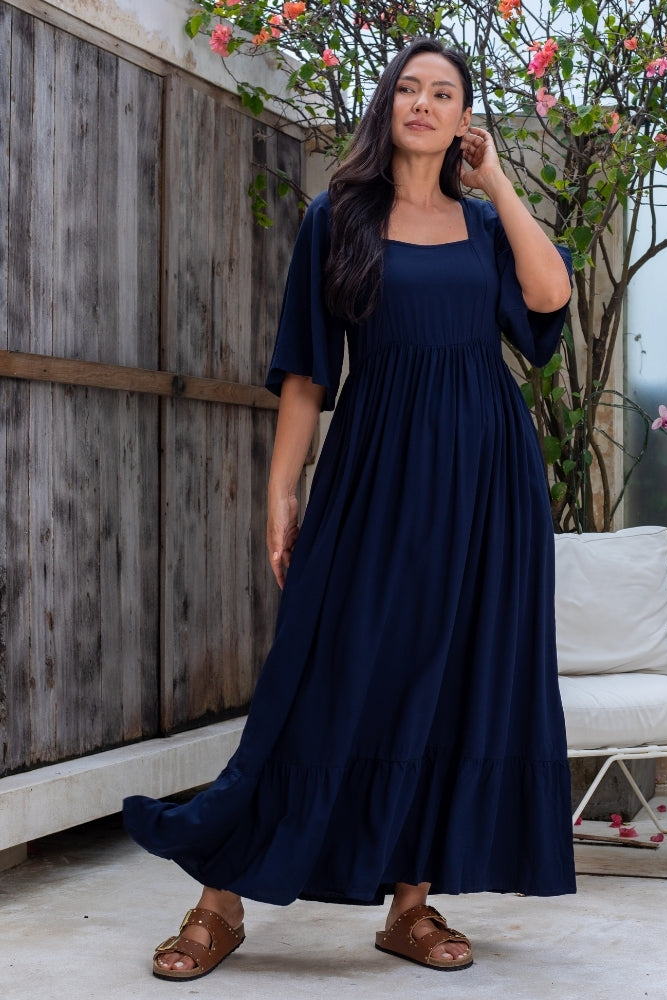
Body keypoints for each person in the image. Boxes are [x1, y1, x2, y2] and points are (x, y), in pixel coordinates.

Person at [123, 36, 575, 979]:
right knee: (323, 672)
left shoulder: (485, 226)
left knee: (449, 680)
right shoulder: (338, 219)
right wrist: (281, 491)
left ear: (465, 120)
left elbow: (548, 299)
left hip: (488, 479)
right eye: (409, 88)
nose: (423, 103)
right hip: (377, 469)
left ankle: (410, 907)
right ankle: (219, 900)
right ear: (387, 106)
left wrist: (498, 183)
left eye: (443, 93)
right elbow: (304, 374)